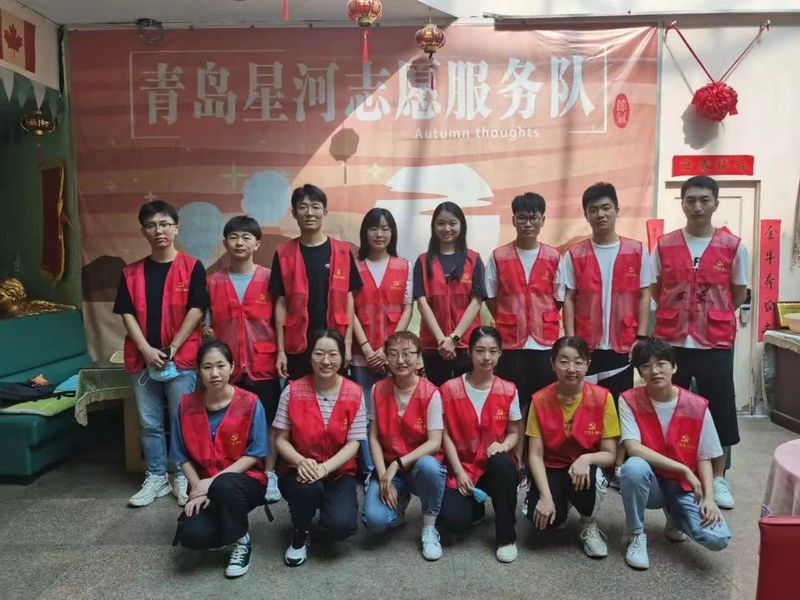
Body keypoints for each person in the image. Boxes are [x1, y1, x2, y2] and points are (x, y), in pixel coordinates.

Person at [651, 175, 749, 510]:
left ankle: (718, 477)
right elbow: (656, 289)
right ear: (682, 203)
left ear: (715, 203)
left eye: (704, 200)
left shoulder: (733, 246)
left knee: (718, 408)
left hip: (715, 341)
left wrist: (710, 315)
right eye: (691, 200)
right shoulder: (664, 245)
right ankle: (673, 471)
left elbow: (737, 293)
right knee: (671, 406)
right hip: (672, 340)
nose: (697, 207)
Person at [113, 200, 208, 508]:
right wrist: (145, 348)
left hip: (180, 358)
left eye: (165, 224)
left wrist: (172, 348)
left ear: (176, 228)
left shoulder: (192, 267)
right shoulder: (131, 272)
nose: (159, 231)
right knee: (149, 422)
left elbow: (197, 309)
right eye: (151, 225)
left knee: (181, 420)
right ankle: (156, 476)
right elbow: (126, 313)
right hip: (142, 358)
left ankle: (182, 476)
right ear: (143, 231)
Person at [560, 182, 653, 482]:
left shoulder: (637, 251)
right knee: (586, 405)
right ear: (586, 215)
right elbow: (569, 298)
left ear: (616, 210)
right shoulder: (575, 255)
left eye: (605, 208)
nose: (600, 214)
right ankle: (586, 460)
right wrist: (571, 340)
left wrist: (641, 336)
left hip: (622, 343)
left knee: (619, 404)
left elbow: (644, 294)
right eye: (593, 210)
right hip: (586, 345)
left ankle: (617, 465)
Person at [619, 337, 731, 570]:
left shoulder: (697, 405)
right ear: (639, 371)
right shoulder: (628, 400)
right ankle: (636, 534)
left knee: (718, 538)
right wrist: (682, 468)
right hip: (652, 483)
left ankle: (676, 517)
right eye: (646, 366)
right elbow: (633, 447)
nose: (654, 371)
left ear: (674, 367)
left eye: (661, 364)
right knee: (633, 467)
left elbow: (703, 457)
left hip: (684, 486)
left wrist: (709, 498)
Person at [171, 340, 269, 578]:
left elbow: (256, 452)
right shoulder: (185, 405)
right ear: (198, 370)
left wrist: (211, 483)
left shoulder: (250, 403)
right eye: (207, 367)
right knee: (191, 535)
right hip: (204, 485)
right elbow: (181, 455)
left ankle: (242, 540)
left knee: (224, 485)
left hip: (245, 482)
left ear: (232, 367)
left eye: (220, 365)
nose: (214, 373)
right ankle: (225, 527)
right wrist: (198, 488)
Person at [273, 329, 367, 567]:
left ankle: (326, 506)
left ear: (342, 357)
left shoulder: (355, 392)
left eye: (333, 354)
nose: (326, 361)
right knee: (308, 491)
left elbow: (354, 443)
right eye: (319, 353)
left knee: (341, 526)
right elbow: (280, 438)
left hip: (338, 471)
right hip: (299, 469)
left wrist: (325, 468)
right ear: (310, 356)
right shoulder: (292, 390)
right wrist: (300, 461)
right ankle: (301, 531)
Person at [206, 215, 282, 504]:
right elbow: (207, 325)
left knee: (271, 419)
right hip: (227, 367)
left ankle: (270, 473)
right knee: (233, 421)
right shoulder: (213, 281)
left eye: (246, 237)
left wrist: (282, 353)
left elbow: (280, 320)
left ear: (257, 244)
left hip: (264, 362)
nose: (239, 242)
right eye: (233, 237)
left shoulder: (270, 278)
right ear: (225, 242)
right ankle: (238, 473)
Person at [485, 192, 561, 468]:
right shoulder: (499, 256)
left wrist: (541, 318)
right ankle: (514, 460)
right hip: (511, 342)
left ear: (543, 220)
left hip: (544, 343)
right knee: (514, 403)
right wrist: (510, 317)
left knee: (542, 403)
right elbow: (491, 296)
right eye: (522, 218)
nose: (528, 223)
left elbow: (559, 297)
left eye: (533, 218)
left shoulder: (554, 256)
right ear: (513, 220)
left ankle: (537, 459)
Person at [525, 336, 619, 559]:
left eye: (578, 362)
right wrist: (545, 496)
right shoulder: (539, 400)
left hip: (585, 470)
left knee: (588, 477)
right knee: (544, 522)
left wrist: (586, 459)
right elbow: (535, 455)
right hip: (552, 466)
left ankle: (588, 522)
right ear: (552, 364)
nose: (571, 369)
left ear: (588, 364)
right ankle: (561, 501)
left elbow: (610, 455)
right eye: (564, 361)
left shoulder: (603, 398)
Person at [437, 326, 523, 563]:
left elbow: (514, 432)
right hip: (463, 466)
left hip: (494, 466)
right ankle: (475, 508)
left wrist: (503, 446)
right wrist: (458, 471)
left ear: (500, 353)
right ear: (469, 353)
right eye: (480, 351)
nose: (487, 357)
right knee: (453, 521)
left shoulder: (508, 389)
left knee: (502, 464)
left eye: (493, 351)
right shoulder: (449, 389)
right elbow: (445, 435)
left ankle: (506, 537)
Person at [361, 331, 446, 561]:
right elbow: (374, 437)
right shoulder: (378, 389)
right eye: (393, 354)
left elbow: (435, 443)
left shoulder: (431, 392)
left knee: (429, 467)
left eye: (407, 354)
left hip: (419, 467)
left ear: (418, 357)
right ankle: (398, 505)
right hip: (390, 467)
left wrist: (396, 465)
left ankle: (429, 528)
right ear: (386, 358)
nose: (400, 360)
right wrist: (383, 476)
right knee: (374, 520)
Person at [269, 184, 362, 380]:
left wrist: (347, 343)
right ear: (294, 213)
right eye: (303, 207)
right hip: (297, 343)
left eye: (315, 207)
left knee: (334, 394)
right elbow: (281, 303)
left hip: (334, 342)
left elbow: (348, 298)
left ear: (324, 212)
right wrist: (280, 351)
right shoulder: (284, 253)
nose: (309, 213)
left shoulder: (342, 251)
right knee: (299, 394)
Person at [351, 208, 413, 480]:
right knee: (364, 413)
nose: (380, 234)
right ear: (365, 232)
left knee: (395, 412)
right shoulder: (354, 266)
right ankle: (370, 471)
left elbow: (407, 308)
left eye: (386, 228)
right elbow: (349, 309)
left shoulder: (403, 265)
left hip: (395, 355)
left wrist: (388, 349)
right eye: (374, 228)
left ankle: (397, 466)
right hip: (361, 353)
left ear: (393, 233)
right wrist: (366, 348)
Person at [414, 201, 487, 386]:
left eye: (452, 223)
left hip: (467, 344)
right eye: (441, 223)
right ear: (433, 226)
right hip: (434, 346)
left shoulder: (473, 259)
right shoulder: (423, 261)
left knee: (466, 394)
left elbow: (476, 302)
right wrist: (442, 341)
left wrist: (454, 338)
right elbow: (422, 303)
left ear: (461, 225)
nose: (447, 228)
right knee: (437, 395)